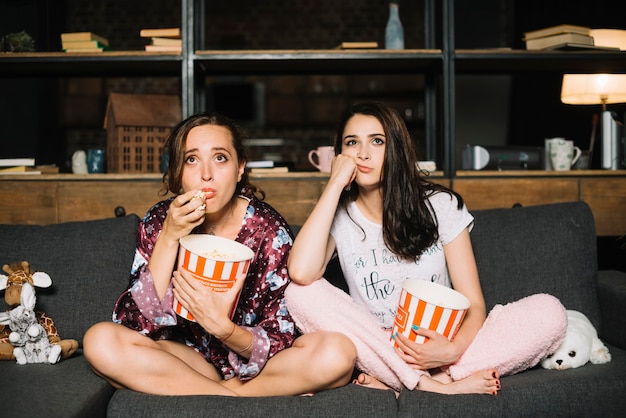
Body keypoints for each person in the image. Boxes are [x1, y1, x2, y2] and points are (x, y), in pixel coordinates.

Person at [286, 102, 567, 395]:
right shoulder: (340, 215)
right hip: (380, 346)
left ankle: (420, 378)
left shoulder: (439, 205)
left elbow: (474, 302)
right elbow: (301, 271)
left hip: (444, 343)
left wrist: (451, 351)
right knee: (299, 292)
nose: (363, 154)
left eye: (377, 141)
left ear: (396, 148)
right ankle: (430, 384)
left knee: (551, 313)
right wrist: (334, 185)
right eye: (352, 143)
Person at [83, 112, 356, 397]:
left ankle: (215, 395)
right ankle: (229, 398)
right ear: (177, 171)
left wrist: (224, 329)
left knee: (337, 354)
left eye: (220, 158)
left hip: (257, 368)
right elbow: (133, 326)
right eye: (191, 159)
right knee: (100, 341)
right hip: (188, 362)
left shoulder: (269, 232)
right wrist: (170, 235)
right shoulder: (160, 221)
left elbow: (282, 336)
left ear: (240, 168)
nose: (206, 174)